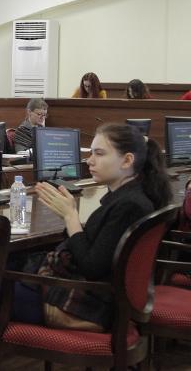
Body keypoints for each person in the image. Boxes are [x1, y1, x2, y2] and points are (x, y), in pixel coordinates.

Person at [21, 124, 171, 331]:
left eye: (99, 154)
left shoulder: (130, 205)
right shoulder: (130, 196)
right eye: (91, 153)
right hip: (97, 296)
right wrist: (68, 217)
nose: (89, 161)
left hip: (89, 306)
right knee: (14, 263)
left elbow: (91, 267)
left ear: (127, 160)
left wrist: (70, 217)